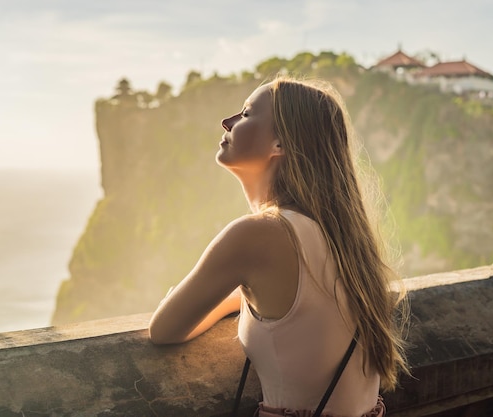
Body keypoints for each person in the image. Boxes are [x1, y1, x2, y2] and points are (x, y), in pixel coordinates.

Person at [149, 75, 408, 417]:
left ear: (280, 144)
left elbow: (164, 329)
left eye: (245, 113)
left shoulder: (257, 235)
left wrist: (230, 299)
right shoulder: (345, 240)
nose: (227, 122)